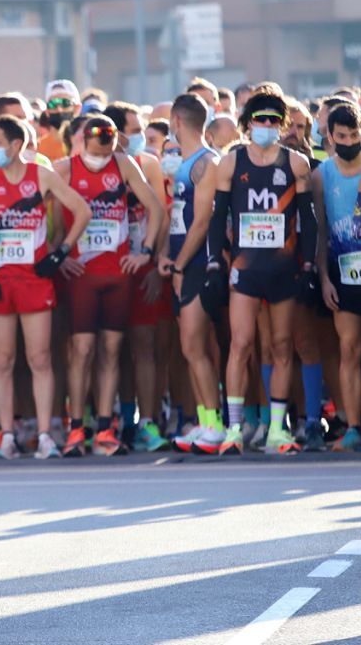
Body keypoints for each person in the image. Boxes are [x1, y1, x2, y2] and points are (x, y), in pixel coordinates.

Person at [205, 86, 317, 456]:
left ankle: (276, 431)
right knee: (241, 344)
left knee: (282, 346)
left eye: (273, 120)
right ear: (247, 124)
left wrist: (308, 265)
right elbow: (217, 217)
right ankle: (234, 428)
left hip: (283, 269)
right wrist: (213, 262)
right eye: (260, 120)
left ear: (282, 125)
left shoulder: (296, 164)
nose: (267, 125)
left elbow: (309, 221)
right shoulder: (231, 163)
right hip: (245, 269)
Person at [0, 114, 91, 459]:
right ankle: (6, 435)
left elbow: (82, 211)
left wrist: (60, 254)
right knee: (1, 358)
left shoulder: (40, 174)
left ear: (15, 145)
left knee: (39, 358)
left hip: (34, 277)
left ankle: (44, 435)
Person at [55, 115, 164, 456]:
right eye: (97, 147)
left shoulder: (124, 164)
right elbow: (50, 217)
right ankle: (76, 428)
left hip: (117, 273)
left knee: (112, 351)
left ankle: (104, 428)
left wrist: (144, 252)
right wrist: (60, 254)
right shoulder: (65, 168)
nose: (103, 153)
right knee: (82, 351)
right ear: (83, 140)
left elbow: (156, 209)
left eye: (109, 146)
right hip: (81, 275)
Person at [156, 93, 224, 453]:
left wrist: (180, 263)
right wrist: (167, 255)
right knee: (188, 347)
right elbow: (176, 216)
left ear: (177, 122)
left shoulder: (207, 162)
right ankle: (204, 421)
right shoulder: (181, 163)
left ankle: (214, 425)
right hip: (182, 264)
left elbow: (201, 222)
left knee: (195, 345)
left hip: (198, 265)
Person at [313, 102, 361, 452]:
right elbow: (320, 230)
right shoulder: (321, 176)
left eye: (355, 135)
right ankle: (354, 426)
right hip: (342, 274)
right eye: (342, 136)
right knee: (349, 350)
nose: (348, 141)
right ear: (330, 136)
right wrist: (323, 277)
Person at [38, 79, 82, 162]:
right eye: (53, 104)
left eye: (65, 103)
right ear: (47, 111)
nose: (59, 110)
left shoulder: (86, 144)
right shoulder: (38, 147)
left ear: (77, 108)